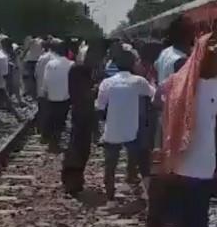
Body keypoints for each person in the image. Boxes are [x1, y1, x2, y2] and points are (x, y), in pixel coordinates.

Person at [145, 33, 217, 227]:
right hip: (178, 167)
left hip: (196, 168)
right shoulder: (176, 83)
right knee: (184, 223)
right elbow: (159, 111)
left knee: (189, 224)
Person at [96, 45, 155, 201]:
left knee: (110, 165)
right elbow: (153, 95)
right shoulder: (138, 82)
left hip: (112, 130)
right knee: (139, 156)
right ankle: (135, 179)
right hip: (132, 130)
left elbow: (100, 107)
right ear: (132, 64)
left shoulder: (107, 83)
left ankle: (110, 193)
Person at [61, 39, 104, 195]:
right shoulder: (79, 71)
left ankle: (74, 180)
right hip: (82, 113)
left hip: (82, 113)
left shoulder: (81, 70)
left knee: (80, 147)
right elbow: (83, 95)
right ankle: (72, 181)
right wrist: (95, 90)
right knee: (78, 147)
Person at [43, 40, 74, 152]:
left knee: (53, 119)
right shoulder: (71, 65)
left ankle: (52, 142)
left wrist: (45, 92)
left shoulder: (50, 64)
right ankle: (55, 144)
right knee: (60, 121)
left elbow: (46, 81)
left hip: (52, 96)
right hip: (65, 97)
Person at [0, 36, 23, 121]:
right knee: (6, 98)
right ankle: (17, 116)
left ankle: (17, 116)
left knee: (3, 98)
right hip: (4, 80)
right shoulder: (6, 53)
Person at [35, 39, 56, 137]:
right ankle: (49, 133)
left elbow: (36, 74)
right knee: (51, 113)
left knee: (42, 111)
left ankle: (41, 131)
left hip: (41, 88)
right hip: (52, 91)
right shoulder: (56, 59)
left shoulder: (41, 58)